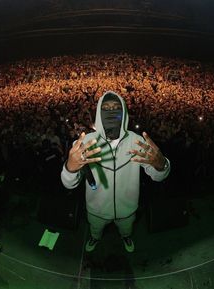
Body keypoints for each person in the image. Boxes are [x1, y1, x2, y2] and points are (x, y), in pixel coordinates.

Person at [61, 91, 170, 253]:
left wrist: (162, 165)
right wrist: (69, 168)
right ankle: (95, 237)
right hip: (96, 209)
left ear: (124, 112)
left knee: (126, 229)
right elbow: (68, 184)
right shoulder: (85, 143)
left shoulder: (136, 141)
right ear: (98, 112)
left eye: (116, 107)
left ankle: (126, 236)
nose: (111, 110)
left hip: (127, 209)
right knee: (95, 229)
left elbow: (158, 177)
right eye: (106, 107)